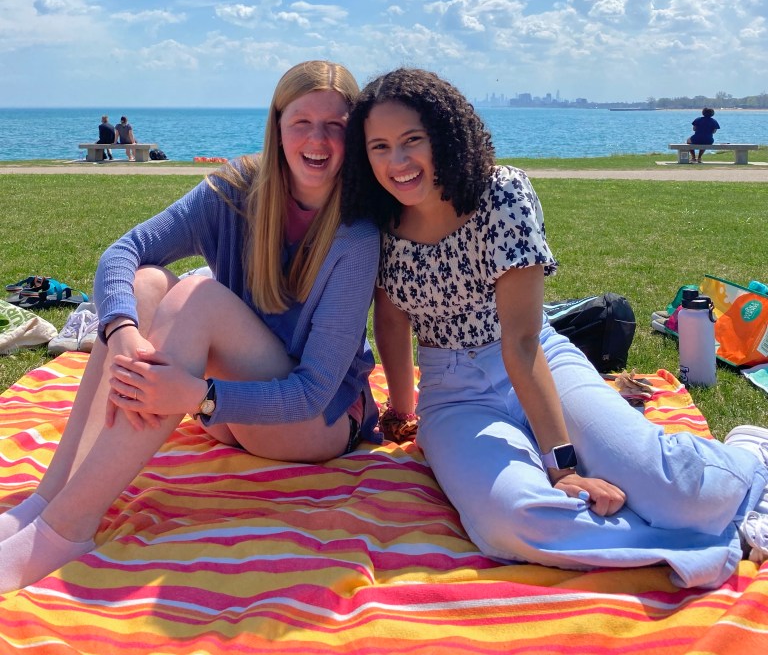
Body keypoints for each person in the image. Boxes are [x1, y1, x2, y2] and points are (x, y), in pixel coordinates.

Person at [341, 68, 768, 589]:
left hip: (538, 361)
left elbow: (522, 342)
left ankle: (748, 461)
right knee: (513, 521)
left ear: (444, 136)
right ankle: (709, 538)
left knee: (673, 487)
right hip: (453, 394)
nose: (398, 162)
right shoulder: (378, 217)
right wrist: (403, 410)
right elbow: (391, 319)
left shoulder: (501, 194)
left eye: (412, 140)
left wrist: (562, 466)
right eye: (380, 147)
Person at [0, 60, 380, 593]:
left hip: (314, 422)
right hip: (227, 412)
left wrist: (201, 397)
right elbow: (124, 251)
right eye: (302, 122)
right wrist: (122, 332)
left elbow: (313, 392)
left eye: (335, 125)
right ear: (276, 126)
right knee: (147, 283)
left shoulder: (356, 234)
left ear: (352, 135)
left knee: (197, 297)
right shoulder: (237, 189)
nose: (317, 140)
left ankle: (67, 528)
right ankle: (48, 498)